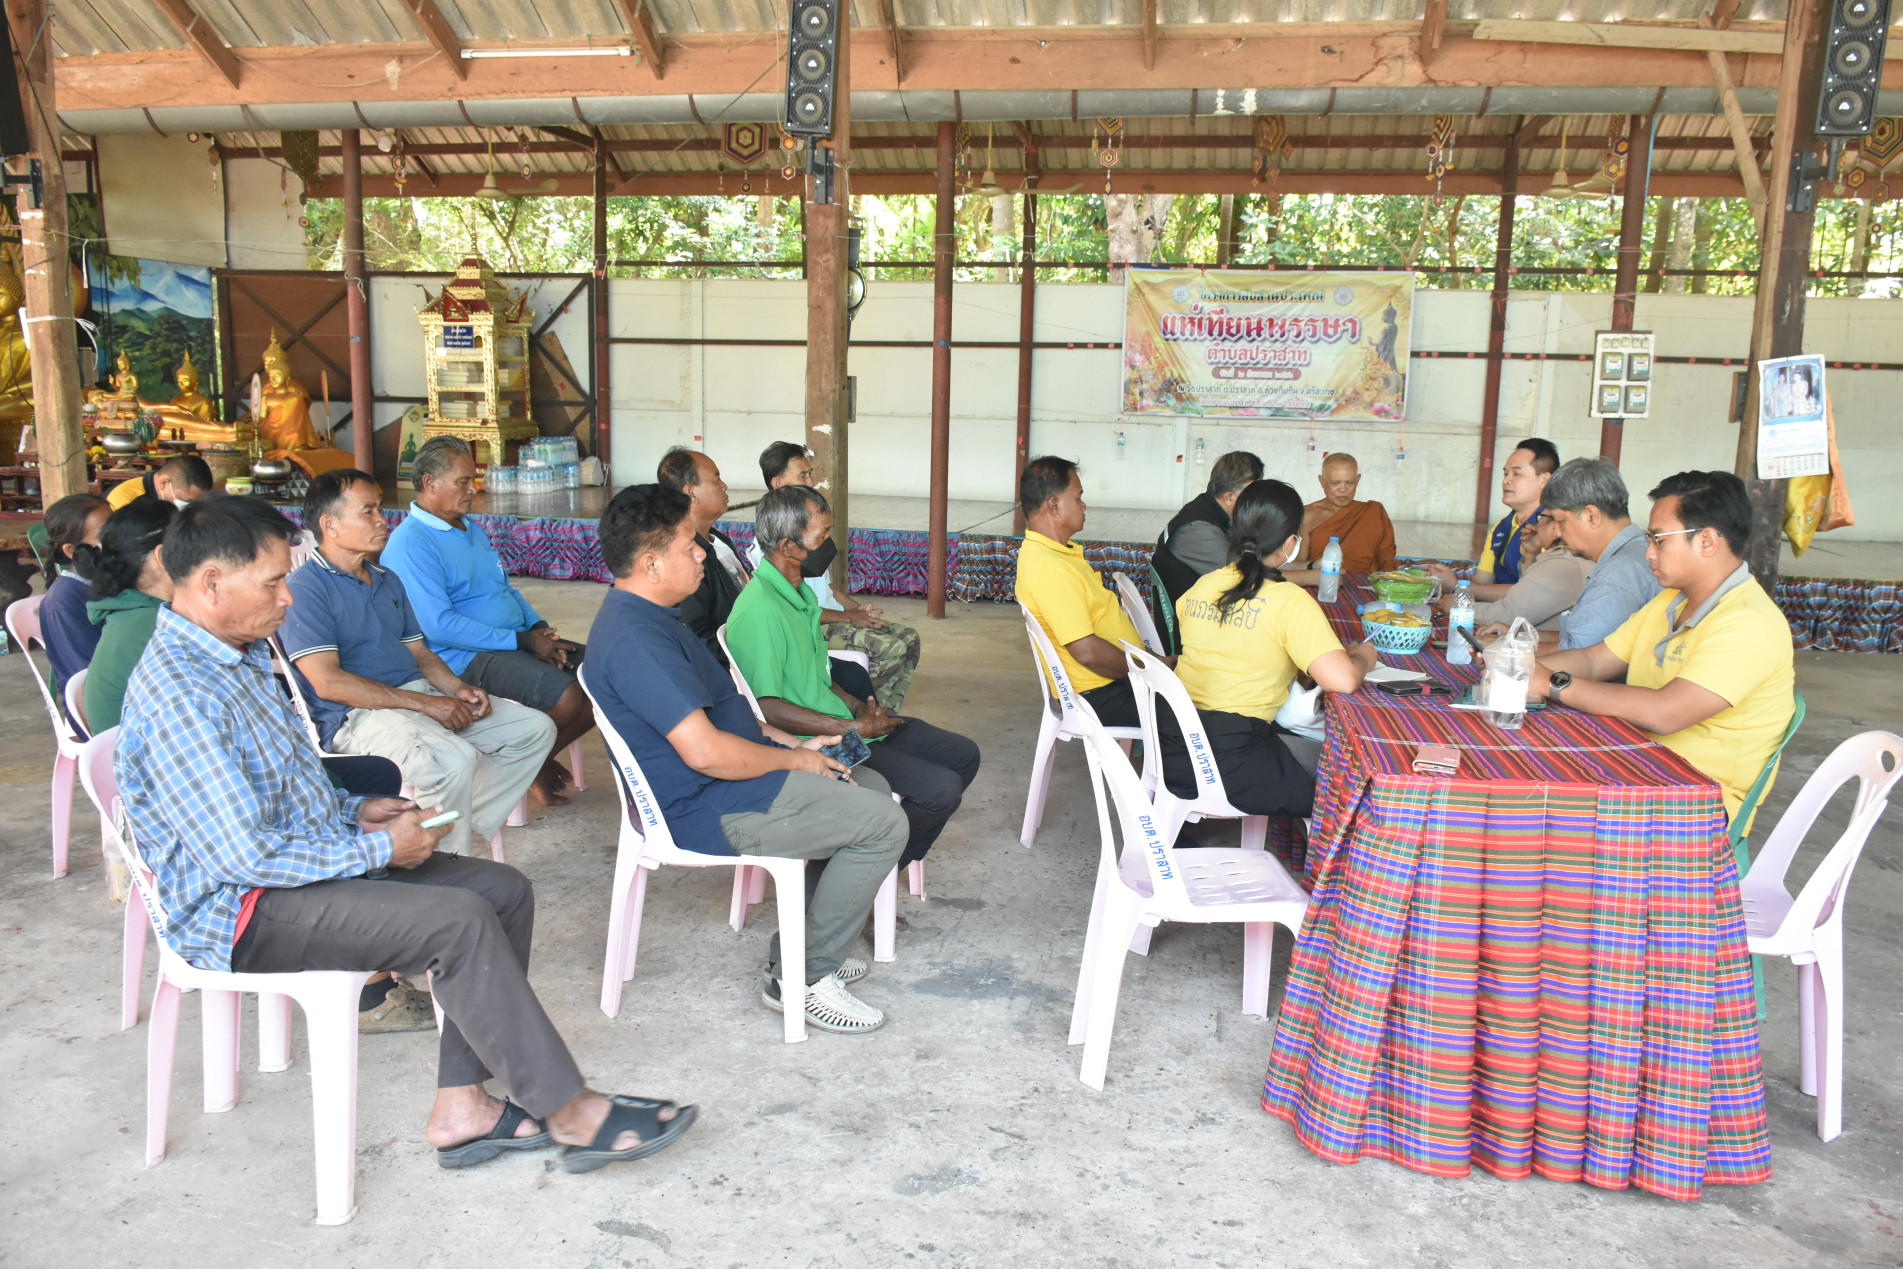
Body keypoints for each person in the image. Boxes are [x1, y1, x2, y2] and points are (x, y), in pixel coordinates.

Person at [114, 494, 693, 1174]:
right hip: (238, 908)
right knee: (457, 921)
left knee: (501, 890)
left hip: (283, 874)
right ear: (212, 583)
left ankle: (462, 1104)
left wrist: (356, 812)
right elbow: (243, 854)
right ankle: (571, 1111)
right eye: (273, 582)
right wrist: (380, 850)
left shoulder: (232, 656)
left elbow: (280, 792)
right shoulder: (184, 690)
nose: (287, 599)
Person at [585, 484, 909, 1034]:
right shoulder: (636, 640)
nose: (702, 554)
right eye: (688, 545)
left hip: (731, 780)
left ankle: (800, 950)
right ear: (649, 563)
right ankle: (803, 980)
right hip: (704, 805)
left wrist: (796, 745)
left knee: (869, 787)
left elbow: (736, 721)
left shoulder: (658, 618)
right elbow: (706, 752)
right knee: (884, 824)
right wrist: (794, 764)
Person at [281, 469, 555, 858]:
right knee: (451, 761)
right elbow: (328, 684)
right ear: (330, 525)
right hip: (357, 717)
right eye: (369, 511)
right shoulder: (306, 590)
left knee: (532, 729)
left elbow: (421, 654)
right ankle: (447, 866)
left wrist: (456, 689)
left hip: (415, 698)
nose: (382, 519)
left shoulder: (386, 579)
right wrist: (426, 704)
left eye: (379, 508)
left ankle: (447, 837)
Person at [1523, 471, 1795, 830]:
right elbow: (1594, 659)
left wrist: (1552, 682)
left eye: (1659, 540)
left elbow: (1665, 712)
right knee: (1528, 771)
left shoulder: (1748, 623)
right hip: (1639, 770)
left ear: (1708, 541)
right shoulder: (1670, 601)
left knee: (1533, 813)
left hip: (1695, 805)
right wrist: (1520, 665)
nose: (1649, 553)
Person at [727, 485, 980, 870]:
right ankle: (857, 875)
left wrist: (863, 708)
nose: (831, 546)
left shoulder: (799, 596)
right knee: (940, 791)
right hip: (817, 743)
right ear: (788, 547)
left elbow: (820, 679)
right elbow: (766, 708)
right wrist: (850, 726)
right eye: (822, 537)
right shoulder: (761, 610)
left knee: (963, 755)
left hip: (842, 724)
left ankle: (865, 871)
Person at [382, 437, 592, 807]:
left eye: (472, 480)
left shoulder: (469, 527)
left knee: (603, 674)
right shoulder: (411, 544)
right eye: (462, 482)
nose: (472, 489)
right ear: (430, 483)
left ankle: (532, 764)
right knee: (569, 696)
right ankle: (526, 769)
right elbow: (439, 626)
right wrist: (524, 642)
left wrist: (537, 628)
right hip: (461, 658)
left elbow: (503, 587)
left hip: (509, 640)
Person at [1168, 479, 1375, 820]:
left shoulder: (1203, 586)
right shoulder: (1288, 600)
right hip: (1234, 765)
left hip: (1177, 750)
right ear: (1292, 543)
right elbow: (1344, 680)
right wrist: (1362, 657)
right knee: (1356, 782)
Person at [656, 445, 878, 702]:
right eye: (716, 479)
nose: (725, 485)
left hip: (773, 642)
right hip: (752, 663)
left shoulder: (719, 542)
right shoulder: (686, 559)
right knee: (849, 679)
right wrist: (765, 662)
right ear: (690, 492)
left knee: (852, 675)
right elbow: (701, 640)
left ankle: (871, 729)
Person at [749, 440, 922, 712]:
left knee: (910, 638)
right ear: (778, 483)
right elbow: (798, 611)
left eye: (810, 473)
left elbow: (826, 587)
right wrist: (849, 617)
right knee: (892, 649)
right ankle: (863, 709)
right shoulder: (776, 544)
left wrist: (858, 608)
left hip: (835, 615)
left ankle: (883, 712)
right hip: (817, 626)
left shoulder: (809, 528)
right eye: (803, 475)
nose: (811, 480)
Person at [1014, 456, 1147, 728]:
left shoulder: (1054, 554)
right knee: (1213, 722)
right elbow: (1086, 652)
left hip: (1111, 684)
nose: (1083, 505)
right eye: (1078, 498)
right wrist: (1149, 669)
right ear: (1054, 505)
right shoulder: (1049, 568)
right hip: (1099, 695)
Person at [1480, 457, 1660, 654]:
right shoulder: (1630, 552)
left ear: (1592, 516)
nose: (1557, 532)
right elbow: (1584, 640)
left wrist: (1510, 647)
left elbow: (1582, 656)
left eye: (1561, 521)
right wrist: (1519, 636)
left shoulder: (1616, 575)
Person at [1149, 450, 1264, 655]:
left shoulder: (1211, 511)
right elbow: (1244, 576)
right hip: (1190, 633)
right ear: (1230, 497)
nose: (1256, 502)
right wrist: (1309, 575)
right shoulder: (1198, 528)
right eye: (1252, 496)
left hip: (1205, 615)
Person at [1427, 438, 1559, 599]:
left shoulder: (1554, 529)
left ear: (1544, 480)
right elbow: (1482, 584)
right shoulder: (1501, 528)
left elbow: (1532, 593)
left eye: (1516, 473)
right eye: (1505, 473)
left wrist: (1456, 585)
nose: (1505, 481)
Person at [1449, 502, 1591, 633]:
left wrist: (1461, 607)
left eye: (1540, 517)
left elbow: (1509, 615)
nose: (1536, 524)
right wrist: (1531, 555)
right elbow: (1526, 594)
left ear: (1557, 526)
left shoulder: (1563, 563)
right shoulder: (1559, 557)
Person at [36, 492, 110, 703]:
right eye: (106, 538)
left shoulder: (105, 582)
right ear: (71, 550)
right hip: (95, 715)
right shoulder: (64, 604)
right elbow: (87, 686)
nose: (118, 542)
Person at [1287, 452, 1396, 578]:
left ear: (1358, 480)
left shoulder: (1374, 511)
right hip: (1321, 584)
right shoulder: (1307, 516)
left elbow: (1387, 563)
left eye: (1350, 483)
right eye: (1335, 483)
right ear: (1322, 481)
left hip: (1366, 585)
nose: (1343, 489)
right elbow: (1297, 564)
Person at [106, 453, 214, 512]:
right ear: (164, 483)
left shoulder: (163, 498)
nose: (188, 506)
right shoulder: (126, 502)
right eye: (186, 501)